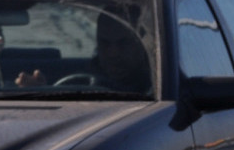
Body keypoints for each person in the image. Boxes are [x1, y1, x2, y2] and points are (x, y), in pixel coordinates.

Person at [16, 9, 152, 93]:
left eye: (124, 43)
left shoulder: (156, 84)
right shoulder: (83, 80)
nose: (113, 53)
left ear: (140, 43)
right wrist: (41, 92)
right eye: (105, 43)